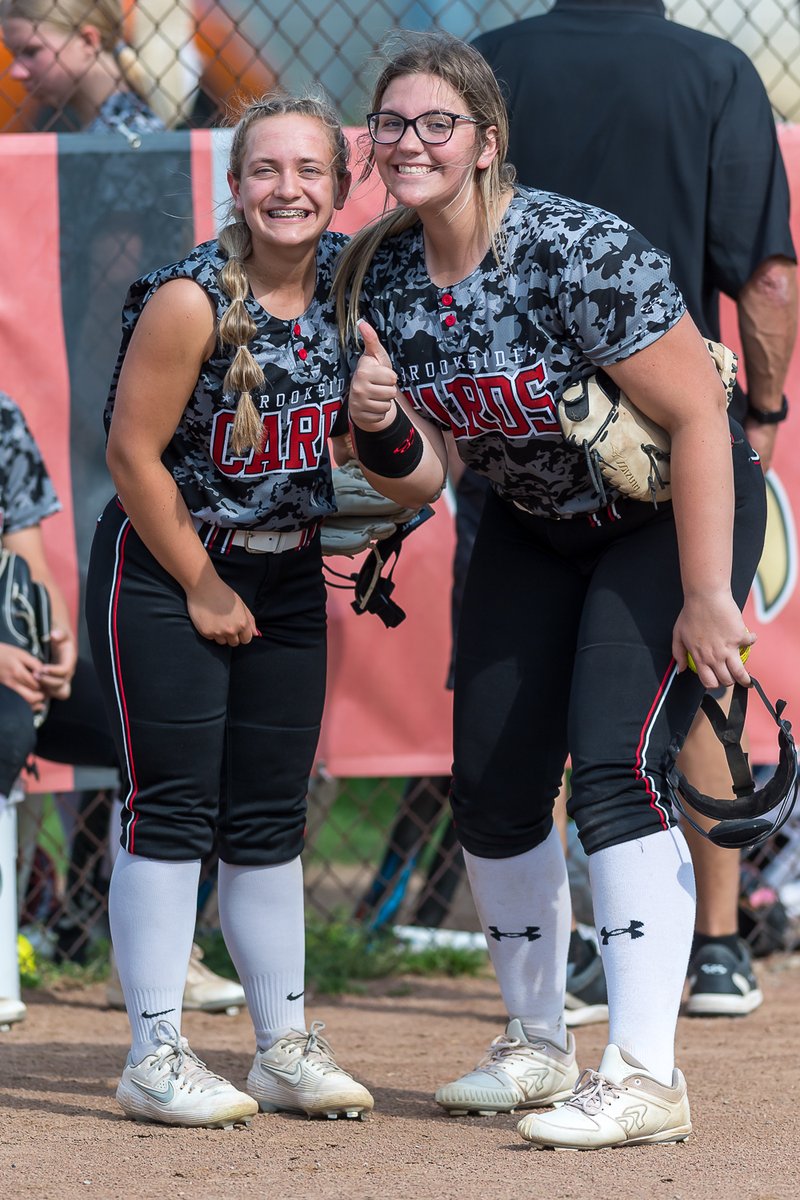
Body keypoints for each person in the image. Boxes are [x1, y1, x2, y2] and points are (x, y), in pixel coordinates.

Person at [333, 31, 766, 1151]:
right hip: (531, 522)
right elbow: (429, 473)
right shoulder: (378, 268)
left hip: (663, 516)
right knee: (488, 777)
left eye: (439, 123)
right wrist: (383, 426)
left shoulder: (570, 246)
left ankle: (643, 1073)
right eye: (392, 124)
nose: (412, 141)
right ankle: (536, 1043)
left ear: (486, 142)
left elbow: (695, 420)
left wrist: (708, 594)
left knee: (615, 766)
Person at [473, 0, 797, 1019]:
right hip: (666, 426)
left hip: (518, 429)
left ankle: (582, 949)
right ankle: (712, 942)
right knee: (689, 669)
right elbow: (766, 274)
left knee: (533, 689)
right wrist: (761, 415)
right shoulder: (709, 69)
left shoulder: (489, 63)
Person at [84, 92, 373, 1130]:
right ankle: (153, 1051)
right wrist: (202, 586)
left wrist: (387, 447)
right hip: (176, 566)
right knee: (170, 810)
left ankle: (280, 1045)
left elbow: (400, 463)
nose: (286, 189)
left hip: (288, 573)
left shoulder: (356, 286)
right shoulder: (190, 298)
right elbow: (129, 454)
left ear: (340, 187)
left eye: (309, 171)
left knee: (266, 818)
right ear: (235, 186)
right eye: (265, 171)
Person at [0, 390, 120, 1023]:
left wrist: (56, 637)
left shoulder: (2, 416)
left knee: (144, 729)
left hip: (12, 657)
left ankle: (147, 960)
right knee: (6, 727)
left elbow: (27, 557)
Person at [1, 0, 164, 137]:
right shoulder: (105, 130)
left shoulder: (128, 137)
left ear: (88, 41)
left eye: (31, 52)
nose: (17, 73)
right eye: (14, 55)